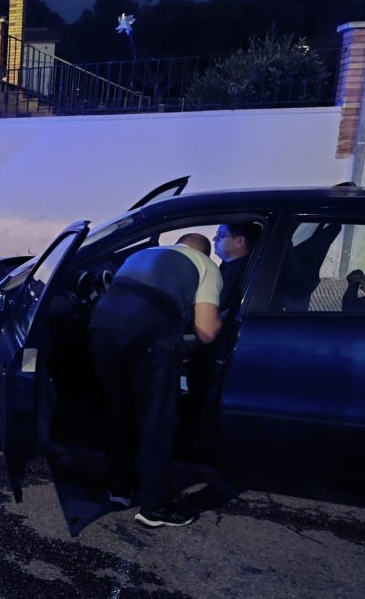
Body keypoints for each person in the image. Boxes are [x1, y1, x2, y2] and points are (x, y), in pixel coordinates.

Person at [88, 233, 223, 528]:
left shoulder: (140, 256)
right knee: (156, 422)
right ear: (205, 251)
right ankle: (154, 507)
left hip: (102, 331)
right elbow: (206, 331)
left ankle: (119, 489)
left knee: (118, 412)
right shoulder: (206, 266)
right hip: (150, 339)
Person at [212, 223, 260, 310]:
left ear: (240, 241)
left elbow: (219, 309)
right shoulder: (230, 267)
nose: (214, 239)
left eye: (220, 235)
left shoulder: (243, 274)